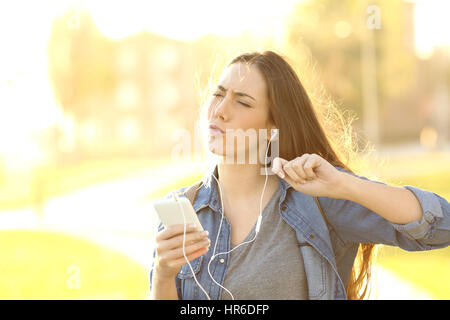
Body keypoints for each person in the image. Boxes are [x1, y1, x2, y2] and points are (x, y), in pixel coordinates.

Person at [149, 50, 450, 300]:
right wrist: (163, 274)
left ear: (272, 128)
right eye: (218, 94)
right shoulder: (181, 210)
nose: (220, 111)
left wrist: (346, 185)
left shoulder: (318, 199)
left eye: (242, 101)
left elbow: (441, 226)